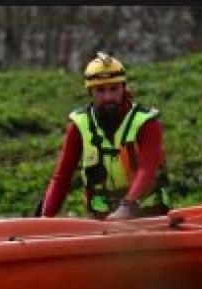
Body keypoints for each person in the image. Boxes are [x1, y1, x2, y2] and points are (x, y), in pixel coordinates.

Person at [39, 51, 170, 221]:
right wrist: (44, 218)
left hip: (149, 215)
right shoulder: (79, 125)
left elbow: (148, 168)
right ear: (90, 92)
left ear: (124, 88)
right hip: (100, 220)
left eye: (114, 89)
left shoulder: (146, 123)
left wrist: (127, 206)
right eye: (100, 90)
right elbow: (62, 178)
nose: (108, 97)